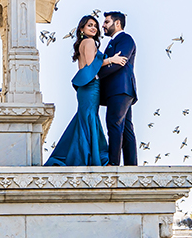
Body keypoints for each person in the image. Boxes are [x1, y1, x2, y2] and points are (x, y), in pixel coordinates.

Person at [45, 15, 127, 166]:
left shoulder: (83, 43)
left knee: (85, 118)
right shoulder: (89, 42)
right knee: (89, 118)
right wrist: (111, 60)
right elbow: (90, 64)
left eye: (95, 25)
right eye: (90, 25)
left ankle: (83, 154)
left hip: (85, 87)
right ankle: (88, 157)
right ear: (81, 28)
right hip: (90, 86)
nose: (94, 28)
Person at [99, 10, 137, 166]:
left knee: (114, 124)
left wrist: (96, 73)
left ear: (117, 23)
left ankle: (113, 163)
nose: (103, 25)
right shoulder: (113, 42)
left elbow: (118, 63)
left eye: (106, 22)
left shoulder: (125, 39)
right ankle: (131, 165)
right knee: (126, 128)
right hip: (121, 90)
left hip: (120, 89)